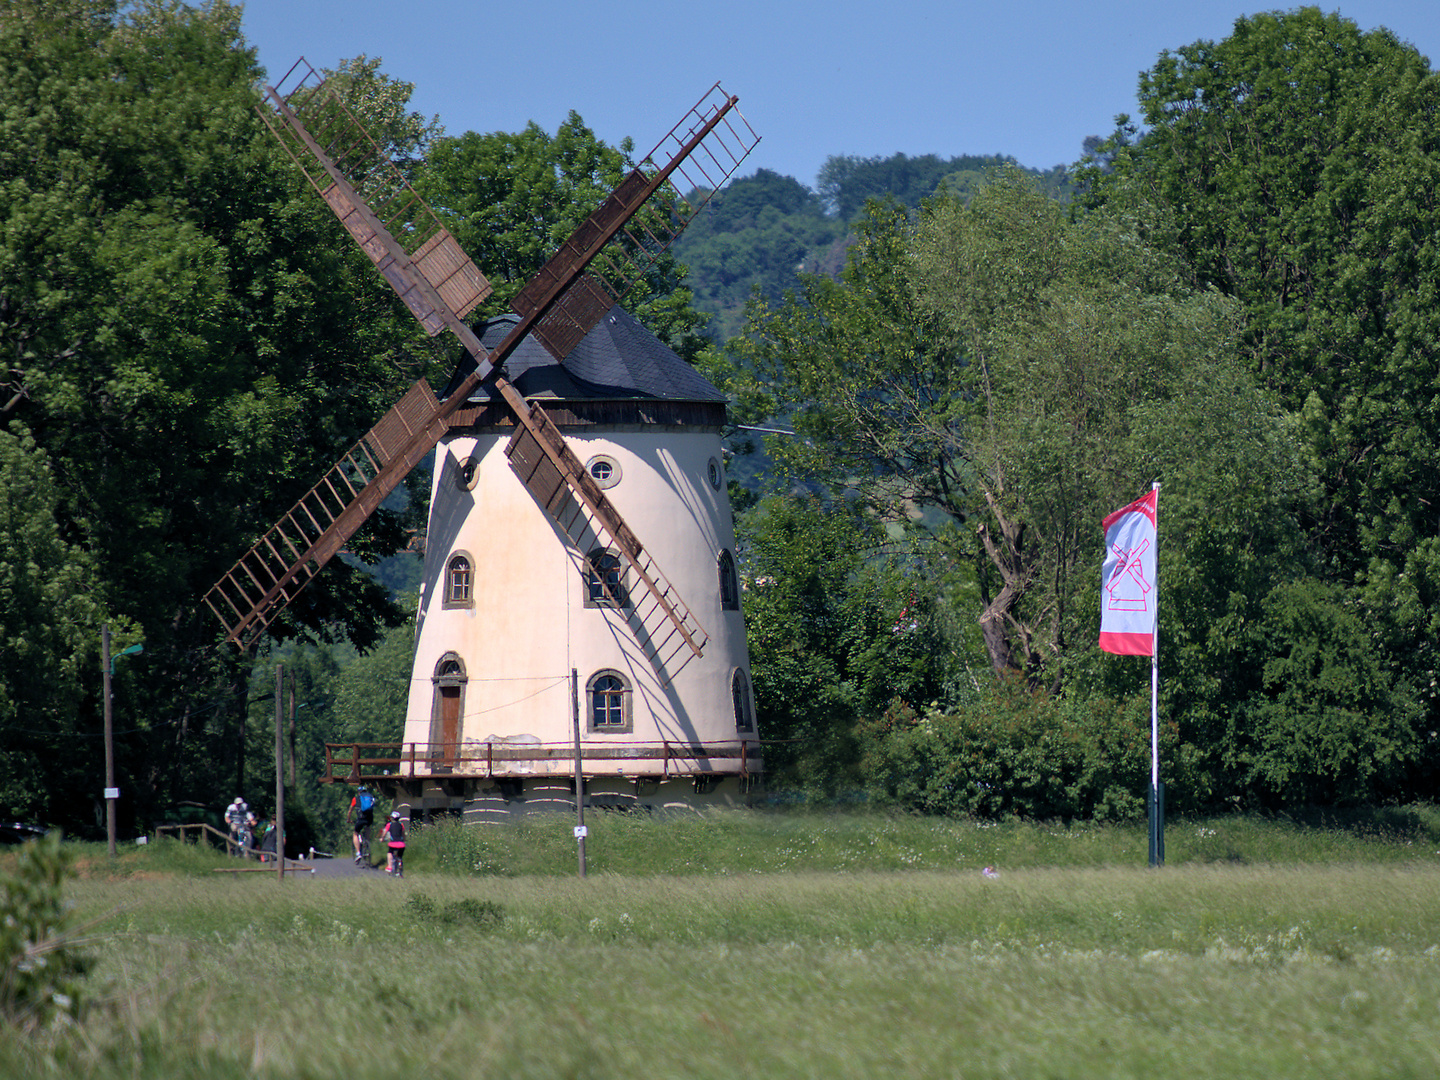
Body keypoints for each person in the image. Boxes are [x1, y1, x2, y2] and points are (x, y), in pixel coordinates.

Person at [347, 785, 375, 864]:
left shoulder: (355, 799)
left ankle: (358, 853)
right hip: (369, 819)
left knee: (355, 833)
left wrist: (348, 819)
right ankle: (367, 841)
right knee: (367, 828)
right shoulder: (370, 797)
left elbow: (350, 811)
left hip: (361, 819)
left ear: (358, 792)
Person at [379, 810, 405, 876]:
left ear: (392, 818)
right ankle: (400, 862)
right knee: (400, 855)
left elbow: (384, 833)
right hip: (401, 844)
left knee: (389, 852)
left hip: (393, 843)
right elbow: (403, 834)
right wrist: (404, 839)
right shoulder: (401, 824)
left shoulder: (389, 824)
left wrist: (382, 838)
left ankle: (390, 866)